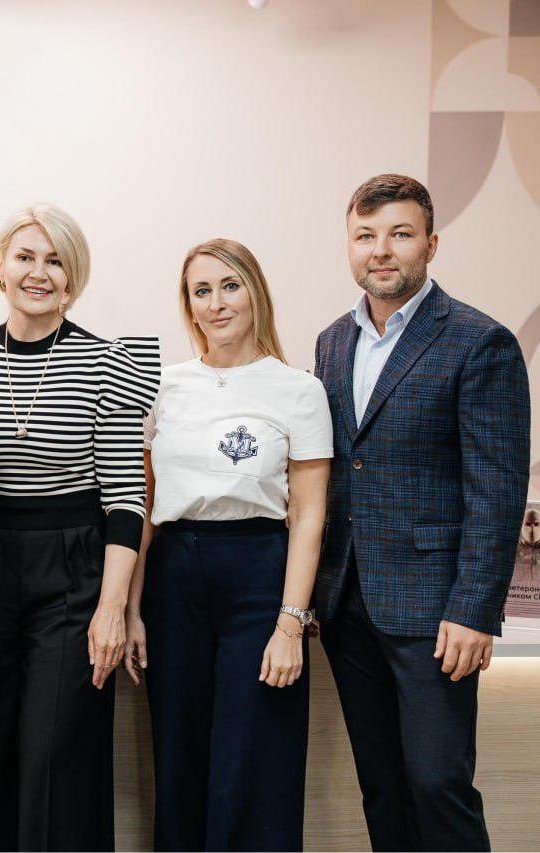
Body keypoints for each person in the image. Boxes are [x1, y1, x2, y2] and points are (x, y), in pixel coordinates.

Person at [0, 203, 160, 851]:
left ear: (73, 274)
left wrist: (112, 608)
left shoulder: (109, 363)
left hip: (75, 570)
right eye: (25, 256)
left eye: (55, 260)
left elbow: (125, 500)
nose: (38, 272)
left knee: (57, 752)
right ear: (0, 265)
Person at [314, 174, 530, 851]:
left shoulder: (478, 340)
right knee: (380, 786)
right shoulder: (331, 342)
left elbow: (496, 489)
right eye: (365, 235)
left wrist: (474, 609)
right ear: (349, 245)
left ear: (430, 245)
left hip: (435, 611)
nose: (381, 250)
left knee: (437, 783)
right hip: (347, 601)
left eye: (399, 234)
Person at [125, 239, 332, 850]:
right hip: (174, 578)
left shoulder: (298, 389)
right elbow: (145, 507)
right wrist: (132, 609)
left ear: (255, 292)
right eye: (201, 291)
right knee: (179, 754)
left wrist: (291, 622)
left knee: (254, 759)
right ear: (189, 305)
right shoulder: (164, 387)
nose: (216, 303)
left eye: (230, 285)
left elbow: (309, 514)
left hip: (259, 577)